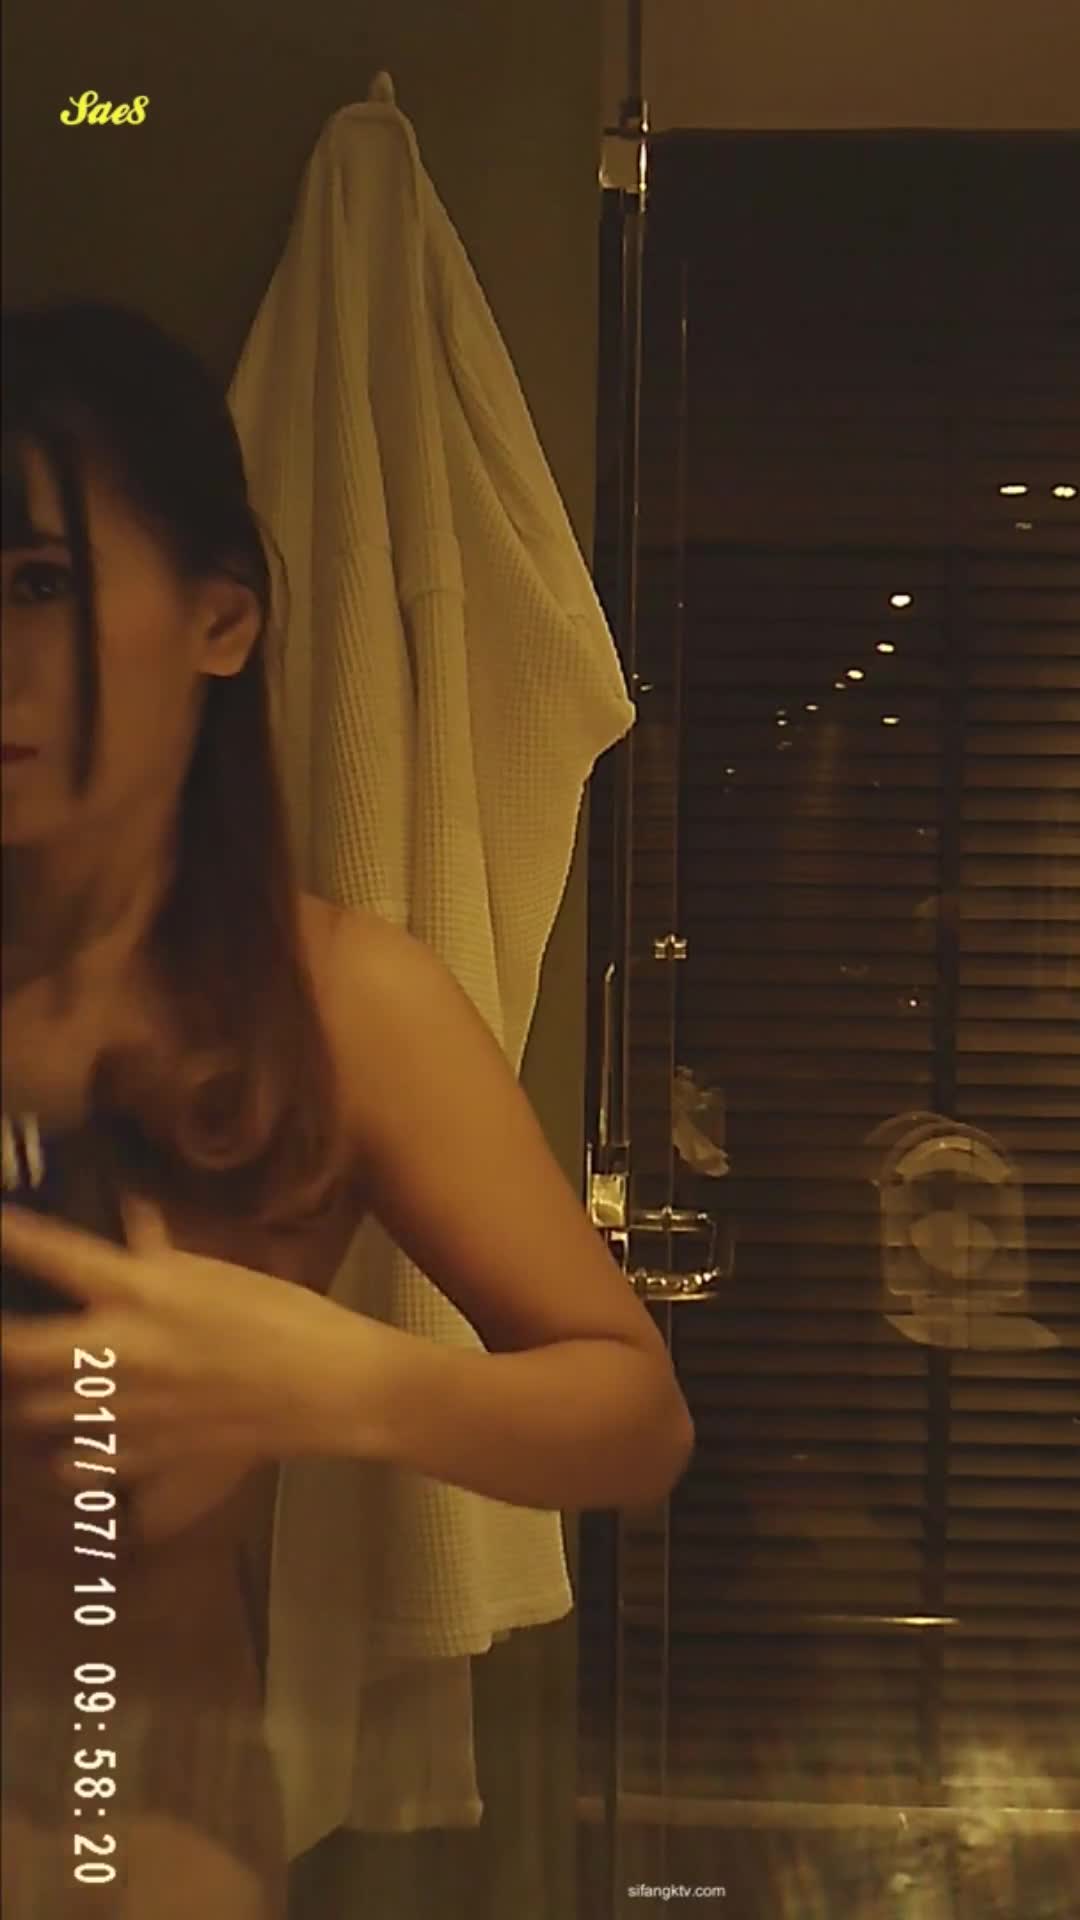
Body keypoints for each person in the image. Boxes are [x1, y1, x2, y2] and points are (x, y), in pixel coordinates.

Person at [0, 299, 694, 1918]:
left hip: (120, 1821)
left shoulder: (335, 1004)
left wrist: (329, 1378)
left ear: (221, 620)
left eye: (36, 582)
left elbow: (634, 1418)